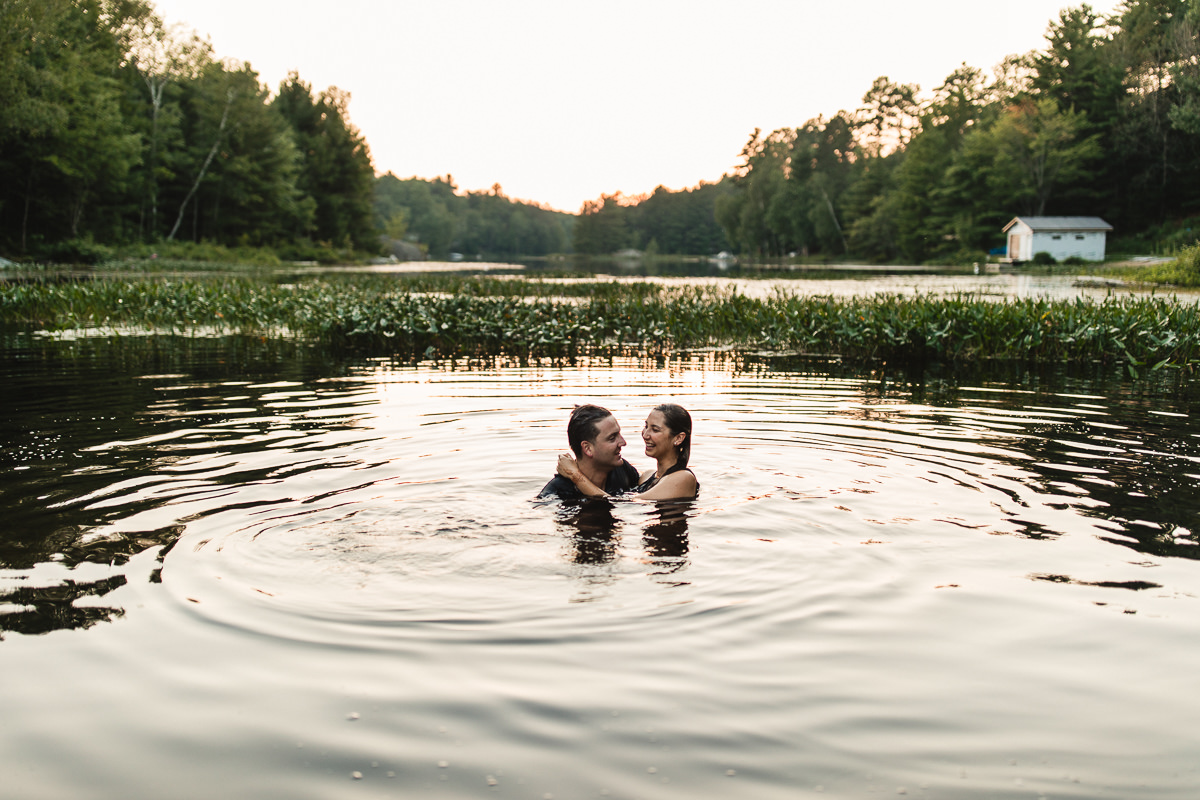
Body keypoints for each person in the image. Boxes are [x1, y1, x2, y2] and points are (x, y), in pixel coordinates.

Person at [556, 403, 698, 501]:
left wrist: (574, 475)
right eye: (646, 426)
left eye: (655, 430)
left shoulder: (683, 478)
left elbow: (621, 504)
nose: (645, 434)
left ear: (678, 438)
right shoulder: (646, 477)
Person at [538, 404, 641, 501]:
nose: (623, 442)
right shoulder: (557, 492)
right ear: (588, 448)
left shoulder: (622, 470)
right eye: (612, 438)